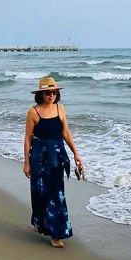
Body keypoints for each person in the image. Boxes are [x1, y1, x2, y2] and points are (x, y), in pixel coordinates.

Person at [23, 76, 83, 248]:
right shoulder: (33, 112)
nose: (51, 95)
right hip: (39, 157)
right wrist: (26, 162)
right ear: (41, 95)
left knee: (56, 194)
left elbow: (66, 133)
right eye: (47, 93)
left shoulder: (60, 109)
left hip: (57, 156)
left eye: (54, 92)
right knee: (39, 192)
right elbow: (27, 139)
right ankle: (40, 223)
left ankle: (56, 233)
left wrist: (76, 154)